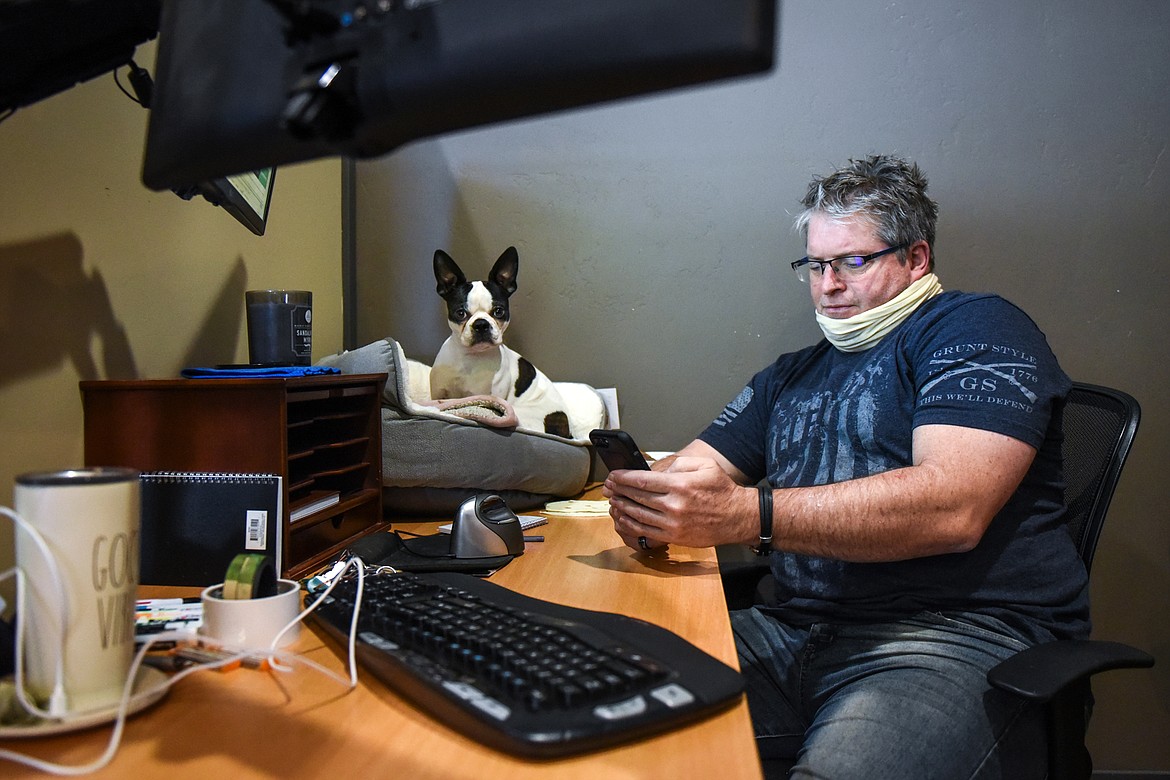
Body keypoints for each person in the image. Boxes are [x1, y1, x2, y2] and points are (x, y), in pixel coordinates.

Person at [603, 154, 1087, 778]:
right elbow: (695, 471)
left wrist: (745, 516)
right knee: (582, 708)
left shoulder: (979, 328)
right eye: (815, 264)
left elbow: (952, 507)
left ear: (915, 259)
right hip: (793, 630)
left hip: (949, 639)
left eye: (854, 261)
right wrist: (651, 499)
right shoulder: (791, 375)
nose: (828, 283)